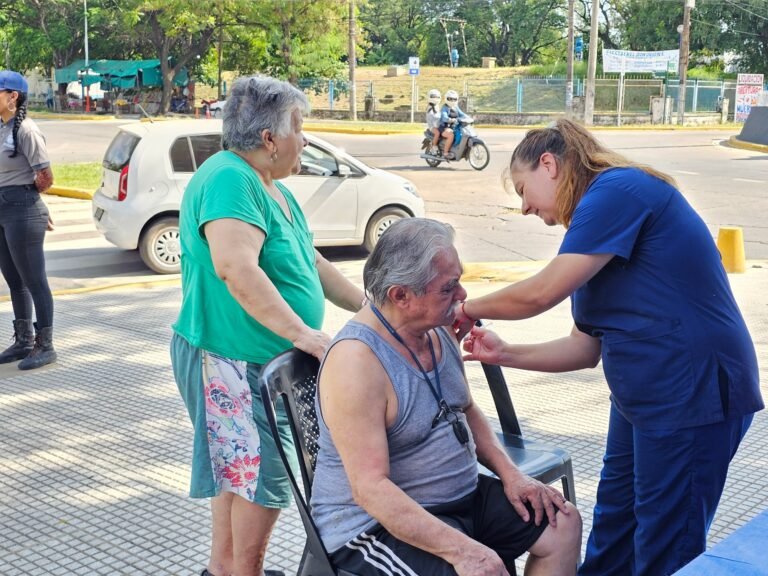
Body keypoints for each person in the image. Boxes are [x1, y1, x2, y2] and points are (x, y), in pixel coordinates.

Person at [456, 119, 764, 575]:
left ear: (549, 165)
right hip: (640, 397)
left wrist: (462, 307)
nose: (523, 208)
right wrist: (504, 353)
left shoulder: (618, 191)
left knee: (665, 542)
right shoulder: (591, 230)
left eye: (523, 190)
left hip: (690, 392)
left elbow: (542, 293)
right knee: (614, 526)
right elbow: (584, 348)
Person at [170, 75, 366, 576]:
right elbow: (236, 267)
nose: (305, 139)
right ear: (269, 138)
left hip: (259, 365)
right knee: (262, 489)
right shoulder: (230, 179)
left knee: (241, 492)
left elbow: (310, 262)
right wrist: (303, 334)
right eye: (300, 128)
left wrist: (370, 312)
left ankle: (225, 570)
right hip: (234, 365)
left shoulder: (269, 186)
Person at [311, 218, 582, 576]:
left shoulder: (435, 331)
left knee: (564, 524)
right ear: (400, 296)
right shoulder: (357, 363)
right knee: (482, 570)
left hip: (459, 498)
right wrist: (464, 551)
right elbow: (370, 489)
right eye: (448, 288)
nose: (463, 296)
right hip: (373, 527)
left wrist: (511, 475)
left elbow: (465, 408)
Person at [0, 70, 57, 370]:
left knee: (34, 280)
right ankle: (23, 341)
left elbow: (45, 177)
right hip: (3, 210)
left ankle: (45, 345)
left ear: (13, 97)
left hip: (22, 209)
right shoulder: (1, 127)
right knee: (14, 279)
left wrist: (28, 201)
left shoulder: (27, 130)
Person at [439, 90, 468, 160]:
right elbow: (444, 117)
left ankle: (456, 149)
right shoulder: (444, 108)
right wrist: (450, 119)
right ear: (446, 98)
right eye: (450, 99)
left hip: (454, 127)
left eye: (454, 99)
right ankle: (445, 153)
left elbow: (462, 114)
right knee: (451, 135)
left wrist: (469, 118)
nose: (452, 101)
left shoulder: (456, 107)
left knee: (463, 133)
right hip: (445, 127)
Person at [425, 88, 442, 154]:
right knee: (437, 133)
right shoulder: (430, 107)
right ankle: (434, 146)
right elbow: (432, 115)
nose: (435, 98)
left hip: (438, 124)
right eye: (433, 97)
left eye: (437, 97)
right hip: (432, 126)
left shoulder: (437, 106)